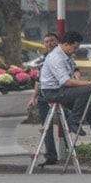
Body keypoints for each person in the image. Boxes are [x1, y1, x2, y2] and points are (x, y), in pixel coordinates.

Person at [37, 31, 91, 164]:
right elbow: (65, 81)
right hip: (53, 92)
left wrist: (82, 80)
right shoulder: (56, 57)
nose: (76, 50)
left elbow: (72, 78)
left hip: (65, 91)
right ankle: (74, 120)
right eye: (75, 47)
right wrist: (89, 83)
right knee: (87, 89)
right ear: (66, 45)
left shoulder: (66, 55)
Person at [32, 31, 61, 166]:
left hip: (59, 95)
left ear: (57, 42)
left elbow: (75, 71)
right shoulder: (42, 59)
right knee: (46, 127)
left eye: (52, 40)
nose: (49, 43)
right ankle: (51, 156)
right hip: (43, 97)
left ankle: (68, 150)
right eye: (47, 41)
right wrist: (34, 97)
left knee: (66, 123)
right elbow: (38, 79)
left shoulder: (62, 57)